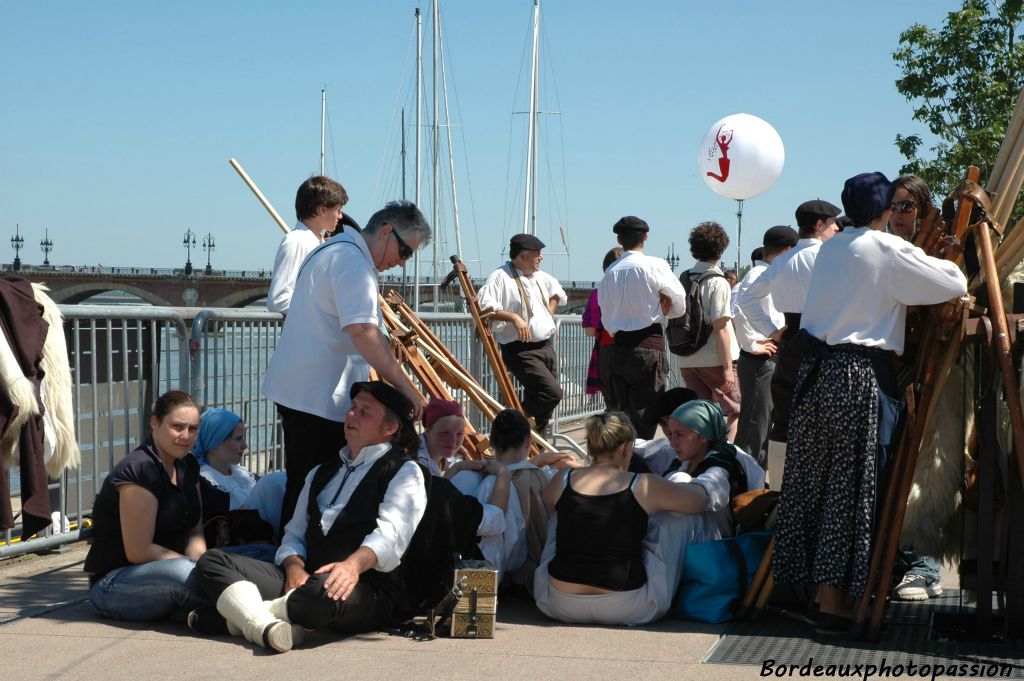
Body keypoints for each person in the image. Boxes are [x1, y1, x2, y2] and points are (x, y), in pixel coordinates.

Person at [771, 172, 967, 634]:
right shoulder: (884, 248)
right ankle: (835, 604)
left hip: (817, 375)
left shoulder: (832, 247)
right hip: (857, 375)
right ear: (882, 208)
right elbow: (953, 282)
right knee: (852, 488)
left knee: (812, 485)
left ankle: (813, 591)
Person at [194, 381, 428, 653]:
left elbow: (391, 535)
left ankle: (239, 617)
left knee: (322, 595)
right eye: (352, 408)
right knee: (212, 561)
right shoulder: (320, 472)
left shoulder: (404, 472)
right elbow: (294, 533)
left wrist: (351, 566)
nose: (352, 415)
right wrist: (294, 566)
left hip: (365, 586)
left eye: (365, 412)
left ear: (390, 428)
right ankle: (267, 625)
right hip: (305, 579)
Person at [263, 200, 430, 534]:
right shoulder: (352, 262)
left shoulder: (335, 250)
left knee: (303, 486)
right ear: (386, 231)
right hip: (317, 399)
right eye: (405, 251)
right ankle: (296, 565)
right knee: (313, 492)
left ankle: (291, 561)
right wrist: (405, 386)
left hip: (303, 392)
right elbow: (364, 333)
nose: (400, 263)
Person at [532, 412, 722, 626]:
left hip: (560, 603)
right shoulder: (644, 484)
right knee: (683, 518)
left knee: (559, 512)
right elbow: (698, 502)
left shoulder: (562, 479)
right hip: (627, 605)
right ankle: (705, 585)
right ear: (625, 448)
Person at [739, 199, 842, 487]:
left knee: (784, 419)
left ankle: (780, 490)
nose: (836, 228)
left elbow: (745, 297)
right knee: (823, 420)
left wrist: (772, 332)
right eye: (833, 222)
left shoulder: (782, 260)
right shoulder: (828, 256)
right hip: (824, 339)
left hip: (791, 339)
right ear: (819, 225)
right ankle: (817, 487)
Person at [83, 391, 207, 621]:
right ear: (154, 423)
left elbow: (195, 531)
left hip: (171, 568)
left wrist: (204, 563)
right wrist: (195, 567)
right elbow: (138, 551)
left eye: (193, 428)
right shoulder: (139, 470)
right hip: (115, 582)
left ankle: (213, 616)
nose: (186, 435)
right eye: (177, 427)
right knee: (186, 574)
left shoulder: (188, 465)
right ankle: (251, 612)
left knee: (256, 555)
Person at [886, 174, 946, 603]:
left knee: (924, 473)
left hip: (931, 373)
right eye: (892, 206)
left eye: (906, 206)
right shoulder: (881, 247)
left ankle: (923, 567)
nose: (897, 214)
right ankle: (893, 562)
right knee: (891, 471)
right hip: (890, 374)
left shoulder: (937, 249)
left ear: (922, 208)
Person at [597, 216, 687, 439]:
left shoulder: (610, 273)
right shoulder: (654, 265)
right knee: (646, 413)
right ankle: (637, 466)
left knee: (620, 414)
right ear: (645, 236)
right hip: (648, 345)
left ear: (619, 239)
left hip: (617, 349)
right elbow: (680, 303)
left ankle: (621, 463)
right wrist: (665, 310)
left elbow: (606, 316)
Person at [477, 234, 568, 432]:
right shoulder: (500, 277)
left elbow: (557, 294)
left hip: (545, 345)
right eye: (538, 254)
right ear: (523, 255)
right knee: (551, 393)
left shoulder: (540, 277)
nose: (541, 258)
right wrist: (514, 318)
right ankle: (510, 425)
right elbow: (486, 308)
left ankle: (536, 446)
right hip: (521, 350)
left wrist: (547, 316)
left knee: (543, 404)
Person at [732, 226, 799, 467]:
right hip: (761, 358)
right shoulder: (757, 276)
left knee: (764, 424)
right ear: (788, 250)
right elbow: (738, 309)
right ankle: (745, 485)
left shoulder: (767, 273)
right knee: (755, 427)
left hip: (767, 357)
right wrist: (753, 343)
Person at [662, 400, 766, 541]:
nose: (673, 442)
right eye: (671, 434)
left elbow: (710, 491)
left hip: (716, 548)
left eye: (679, 434)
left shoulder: (723, 463)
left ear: (703, 435)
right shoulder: (684, 460)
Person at [677, 221, 741, 439]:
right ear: (721, 248)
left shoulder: (684, 278)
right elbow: (721, 327)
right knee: (736, 410)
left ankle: (702, 460)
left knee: (701, 416)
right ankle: (724, 457)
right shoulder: (718, 281)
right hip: (714, 357)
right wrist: (727, 368)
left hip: (687, 358)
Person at [194, 408, 286, 553]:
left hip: (261, 539)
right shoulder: (202, 482)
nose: (245, 445)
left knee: (279, 481)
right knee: (272, 483)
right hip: (238, 547)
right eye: (238, 439)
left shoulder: (243, 474)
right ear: (215, 443)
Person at [267, 176, 350, 314]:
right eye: (338, 210)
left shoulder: (318, 242)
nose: (340, 216)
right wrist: (330, 308)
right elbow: (278, 300)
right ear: (322, 210)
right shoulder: (296, 242)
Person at [582, 247, 624, 409]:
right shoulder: (638, 292)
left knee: (613, 405)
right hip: (639, 348)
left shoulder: (598, 294)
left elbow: (590, 331)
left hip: (607, 351)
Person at [632, 386, 699, 475]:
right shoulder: (666, 450)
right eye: (663, 423)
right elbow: (632, 445)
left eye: (674, 421)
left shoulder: (716, 461)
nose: (669, 430)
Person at [415, 397, 467, 477]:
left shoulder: (457, 456)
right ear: (428, 431)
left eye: (459, 434)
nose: (453, 441)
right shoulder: (414, 460)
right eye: (445, 433)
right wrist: (456, 468)